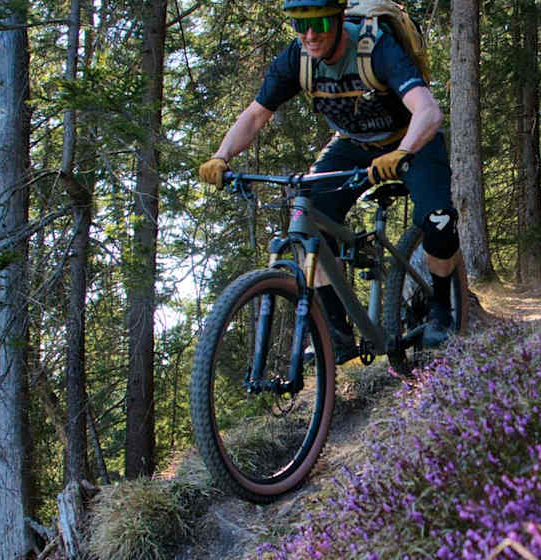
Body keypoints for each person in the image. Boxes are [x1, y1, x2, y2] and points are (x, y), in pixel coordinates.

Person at [197, 0, 460, 363]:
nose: (309, 35)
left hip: (410, 138)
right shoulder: (298, 58)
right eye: (299, 25)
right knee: (307, 220)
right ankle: (337, 335)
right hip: (351, 145)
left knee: (438, 218)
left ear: (337, 20)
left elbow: (428, 111)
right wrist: (221, 155)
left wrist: (403, 152)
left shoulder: (374, 46)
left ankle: (442, 308)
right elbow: (257, 114)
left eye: (319, 23)